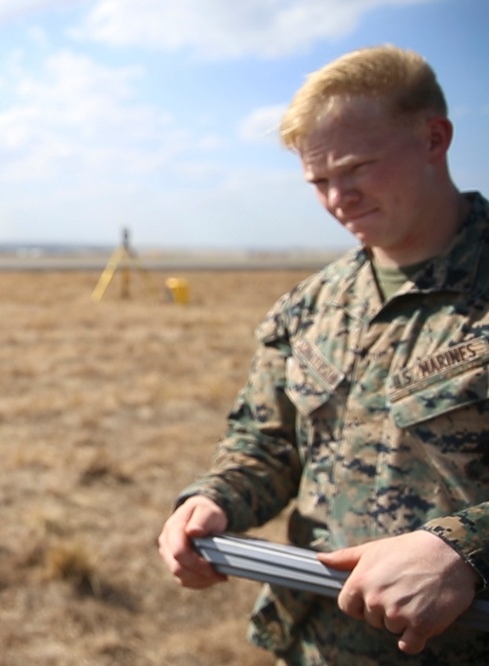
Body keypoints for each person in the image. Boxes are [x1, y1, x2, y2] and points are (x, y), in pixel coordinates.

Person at [157, 44, 489, 664]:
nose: (340, 198)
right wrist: (214, 499)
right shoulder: (311, 306)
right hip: (317, 643)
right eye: (319, 181)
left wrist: (463, 547)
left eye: (357, 167)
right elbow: (268, 442)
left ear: (434, 139)